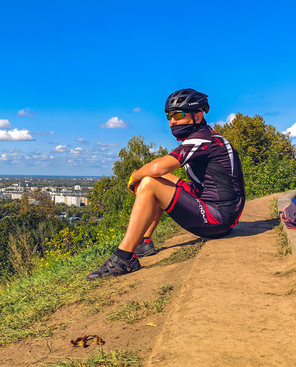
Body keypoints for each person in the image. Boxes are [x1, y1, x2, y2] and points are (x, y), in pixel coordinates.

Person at [87, 88, 246, 279]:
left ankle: (124, 258)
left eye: (178, 115)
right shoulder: (204, 137)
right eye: (169, 116)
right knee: (158, 181)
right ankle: (144, 242)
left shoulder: (203, 139)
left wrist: (135, 176)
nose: (172, 121)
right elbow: (161, 172)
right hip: (216, 209)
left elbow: (157, 168)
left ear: (198, 115)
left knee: (149, 182)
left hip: (218, 218)